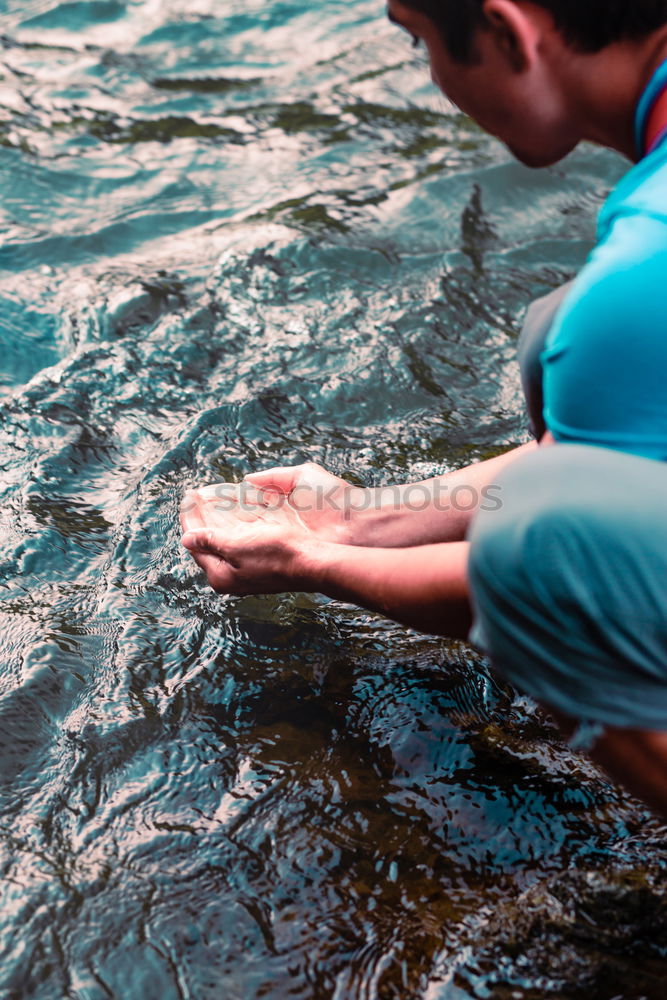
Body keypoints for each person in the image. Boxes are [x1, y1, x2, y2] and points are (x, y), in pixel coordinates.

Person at [181, 0, 667, 819]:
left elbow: (534, 567)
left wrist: (313, 565)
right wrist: (358, 518)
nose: (434, 79)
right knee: (563, 345)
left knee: (532, 540)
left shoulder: (641, 274)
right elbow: (619, 466)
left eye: (421, 43)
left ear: (507, 33)